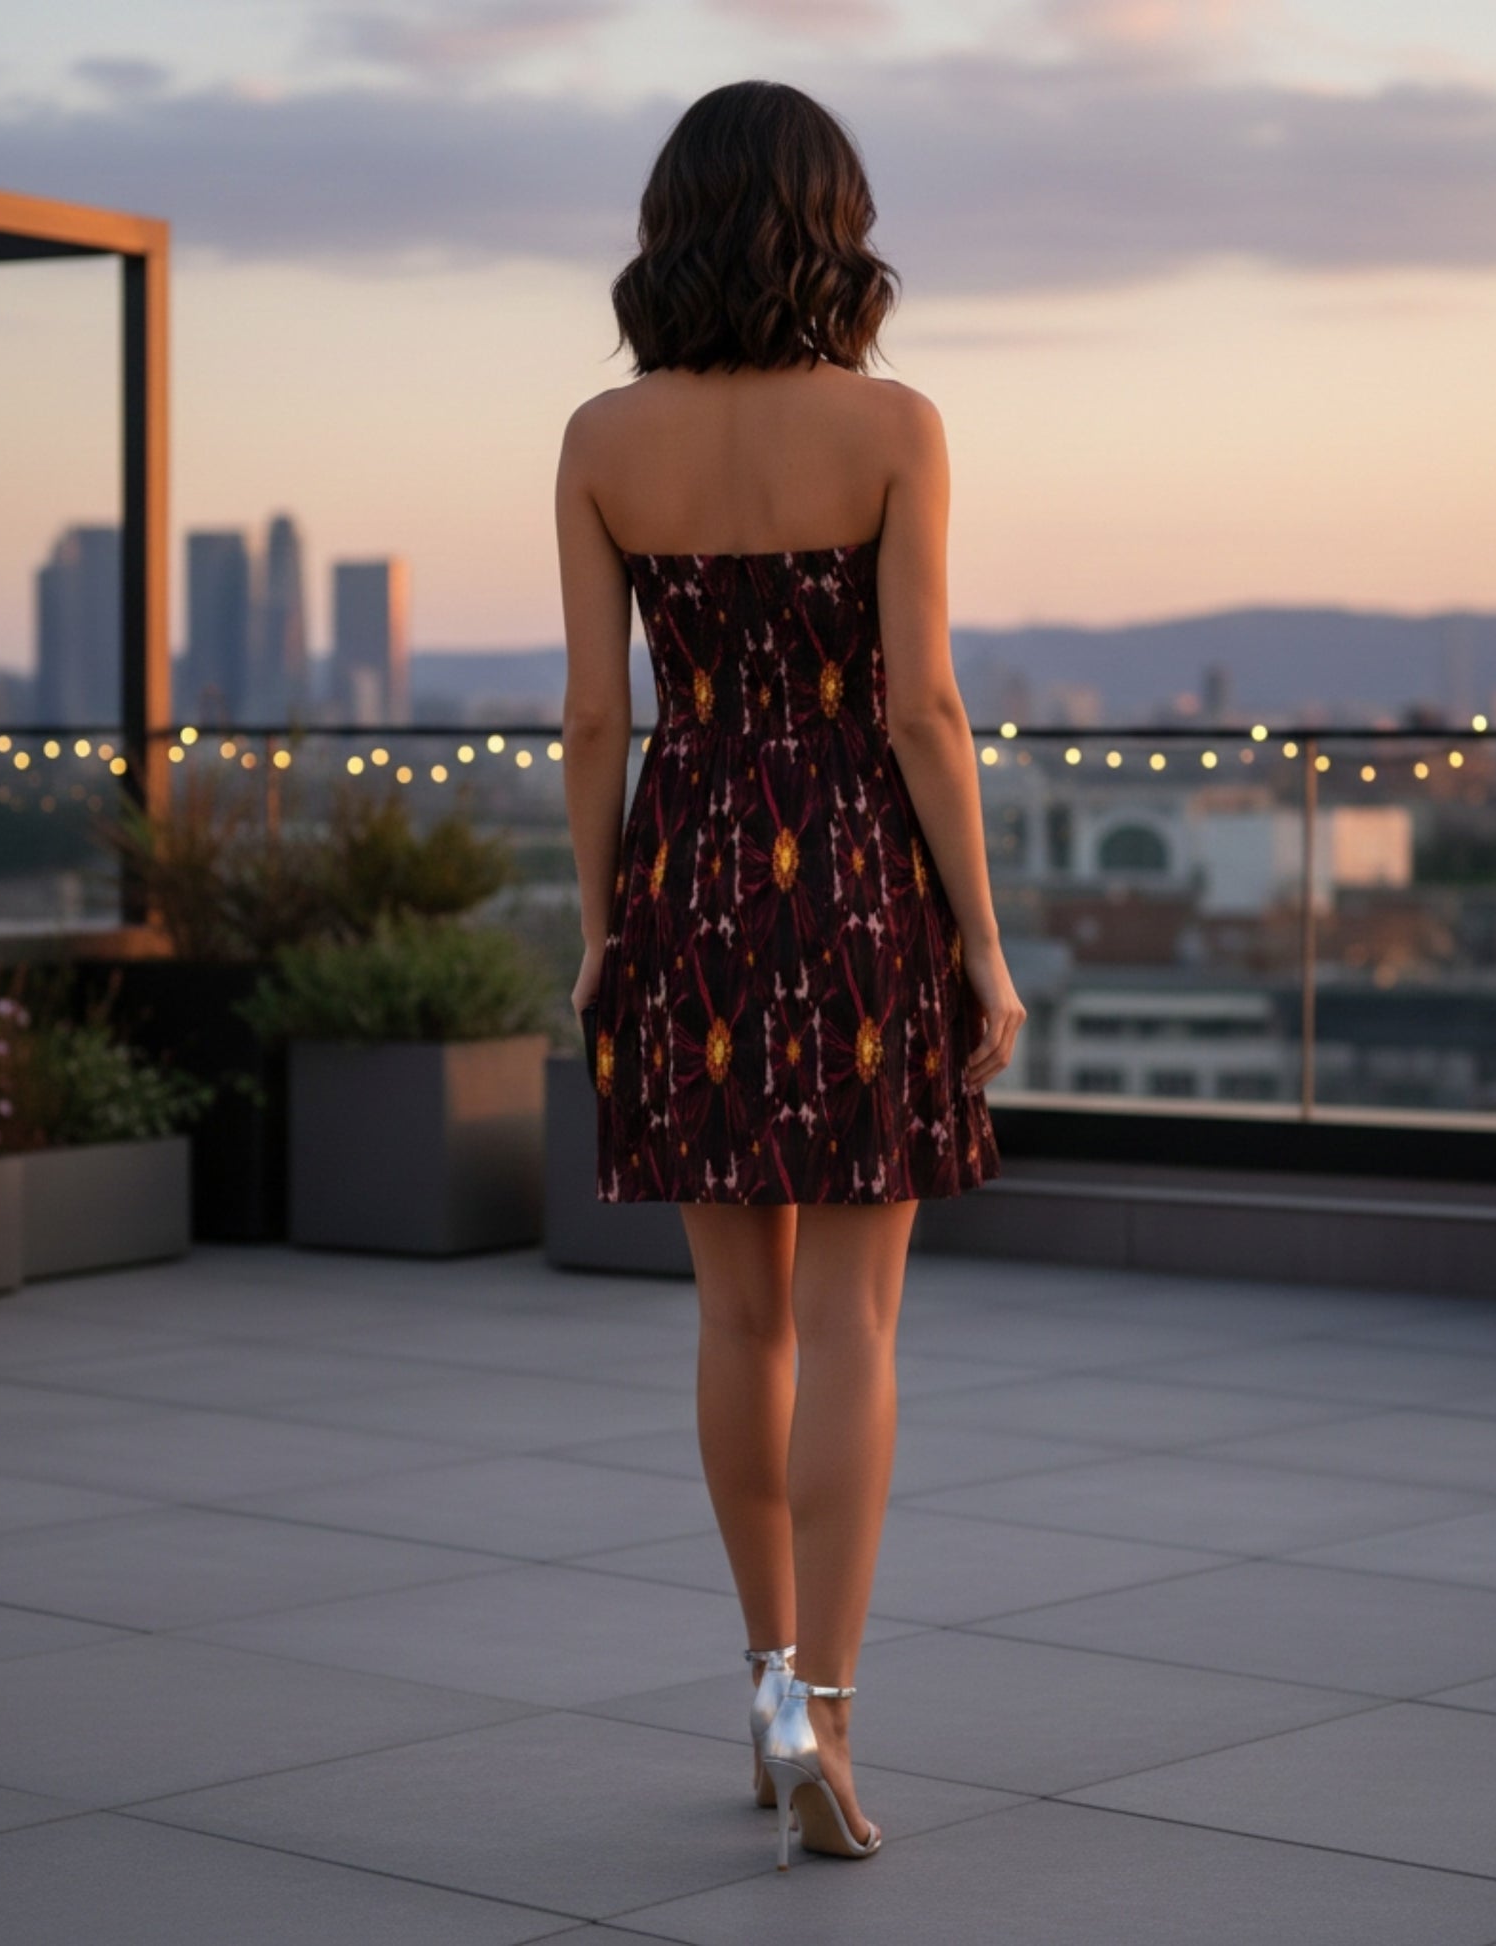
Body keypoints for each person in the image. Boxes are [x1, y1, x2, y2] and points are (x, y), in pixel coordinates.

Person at [556, 77, 1025, 1870]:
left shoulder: (600, 439)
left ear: (670, 224)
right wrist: (979, 937)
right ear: (833, 223)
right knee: (853, 1322)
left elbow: (598, 715)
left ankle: (757, 1680)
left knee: (732, 1320)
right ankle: (825, 1710)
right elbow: (920, 709)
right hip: (849, 878)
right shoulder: (896, 423)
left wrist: (604, 927)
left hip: (685, 868)